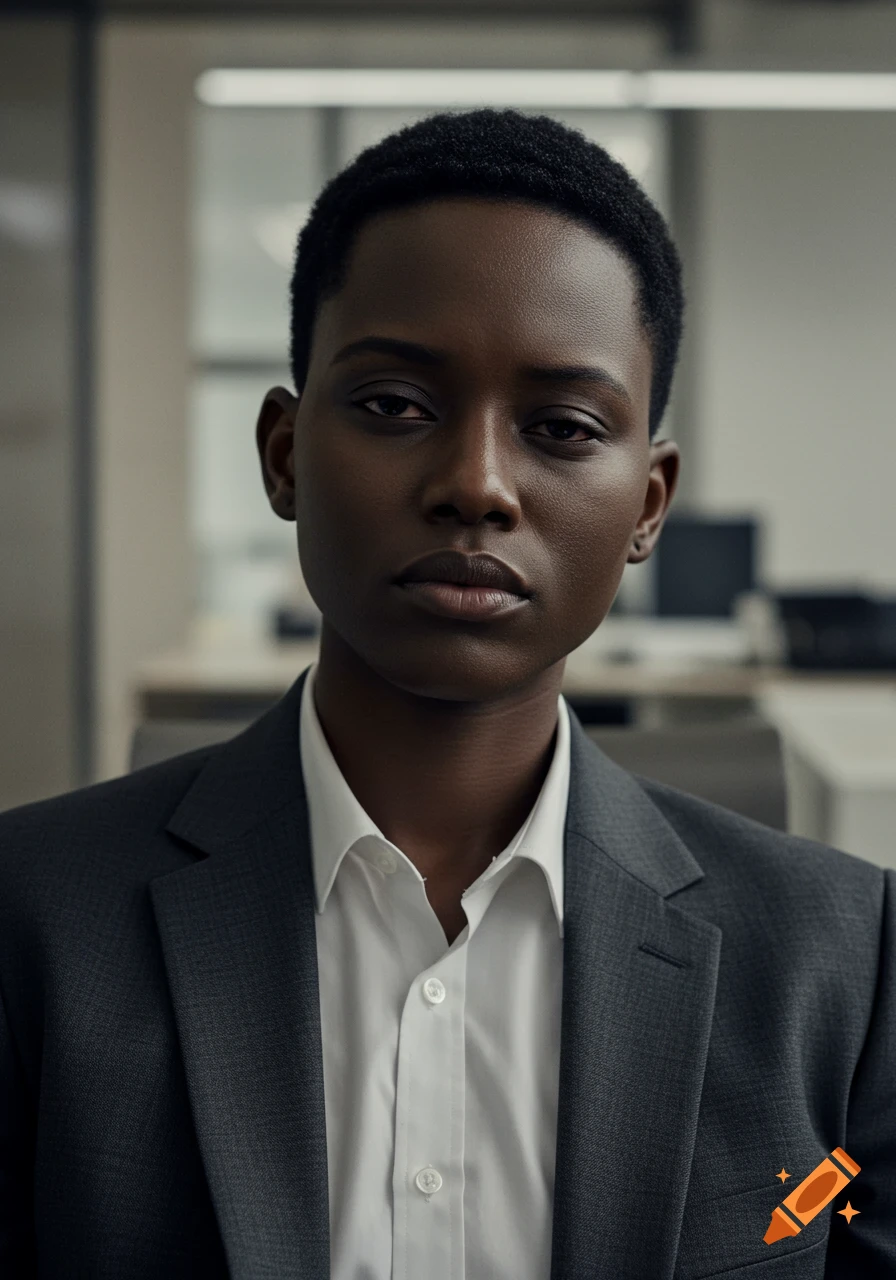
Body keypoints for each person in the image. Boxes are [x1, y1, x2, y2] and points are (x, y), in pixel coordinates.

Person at [0, 108, 892, 1280]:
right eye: (391, 405)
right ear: (280, 453)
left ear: (647, 506)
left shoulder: (845, 958)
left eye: (560, 427)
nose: (475, 484)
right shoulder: (32, 920)